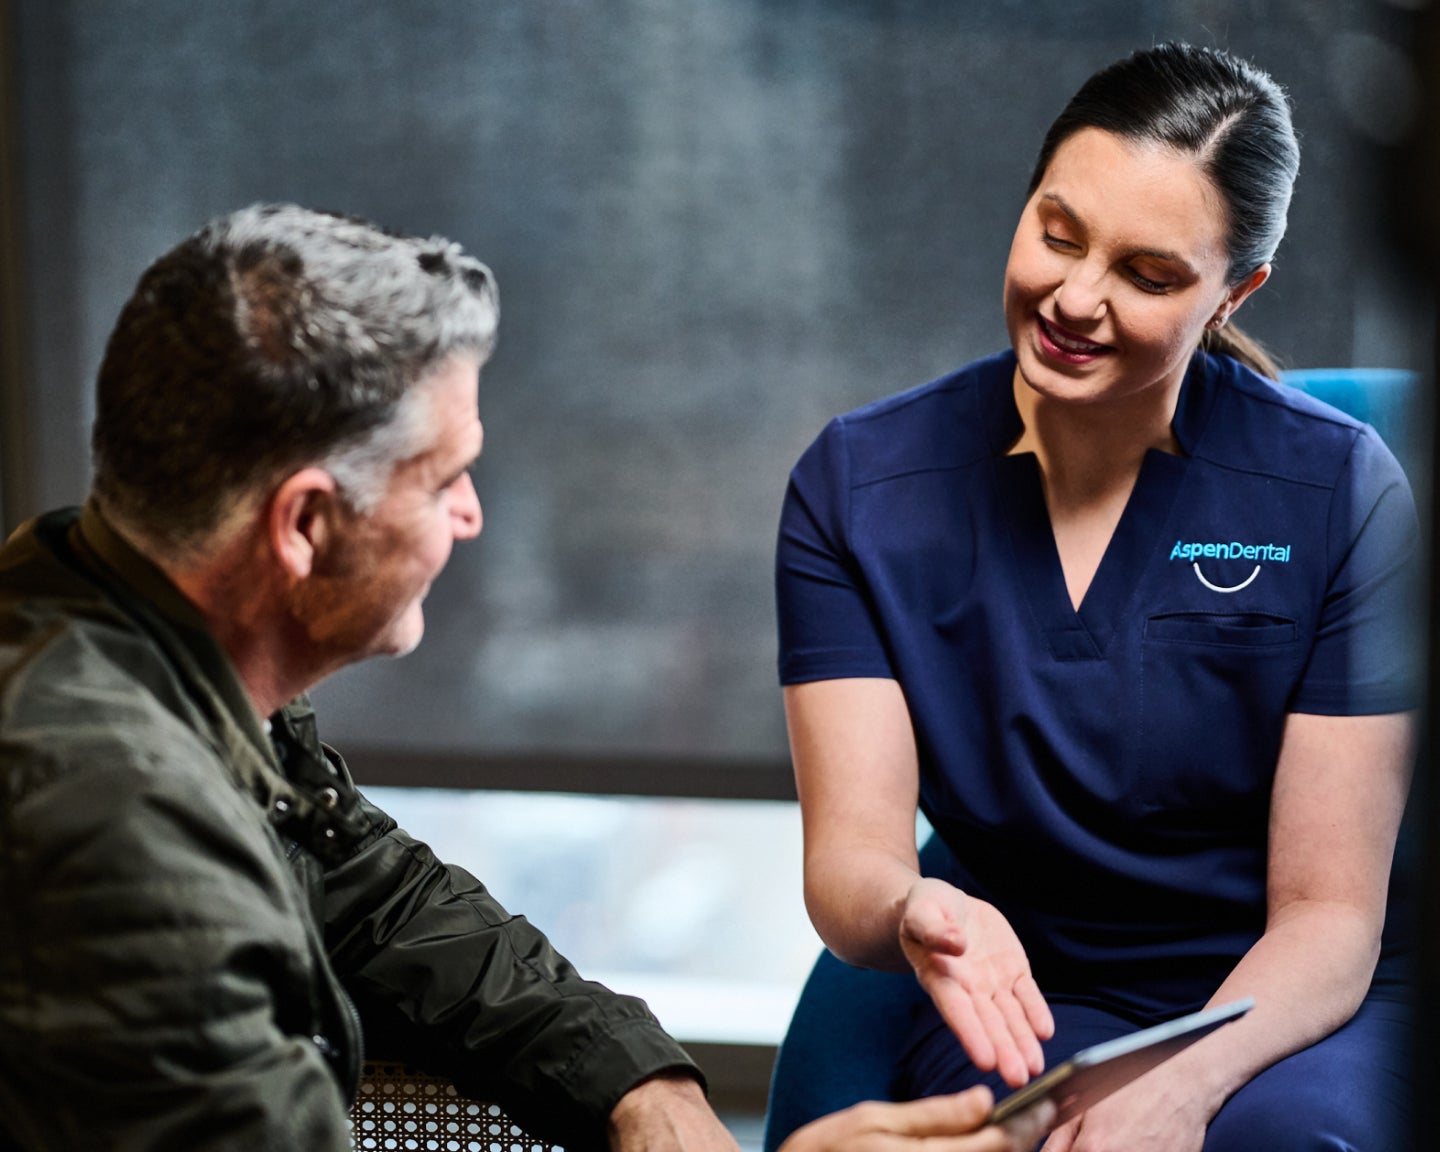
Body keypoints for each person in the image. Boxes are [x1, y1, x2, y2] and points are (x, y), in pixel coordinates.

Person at [0, 203, 1046, 1152]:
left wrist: (633, 1078)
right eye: (445, 479)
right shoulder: (118, 830)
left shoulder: (105, 603)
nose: (472, 515)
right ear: (307, 524)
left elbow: (372, 897)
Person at [775, 42, 1417, 1152]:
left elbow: (1329, 914)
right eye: (1058, 234)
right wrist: (915, 907)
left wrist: (1184, 1084)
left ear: (1233, 293)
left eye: (1148, 275)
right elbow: (852, 860)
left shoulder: (1338, 492)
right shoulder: (860, 489)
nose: (1074, 299)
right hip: (1041, 987)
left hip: (1304, 1000)